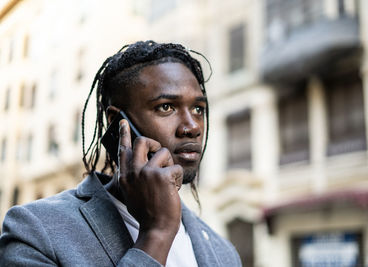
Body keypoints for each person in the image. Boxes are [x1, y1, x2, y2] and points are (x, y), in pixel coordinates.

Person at [0, 41, 242, 266]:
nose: (192, 127)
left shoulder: (224, 253)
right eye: (166, 107)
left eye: (198, 109)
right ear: (117, 122)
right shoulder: (34, 231)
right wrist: (156, 234)